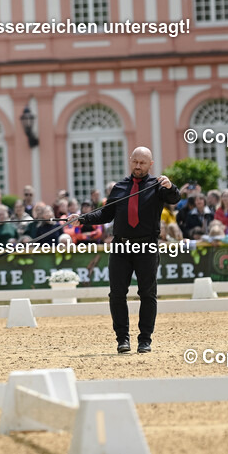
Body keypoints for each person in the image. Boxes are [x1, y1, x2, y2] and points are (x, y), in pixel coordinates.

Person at [68, 146, 179, 354]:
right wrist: (81, 219)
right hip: (121, 245)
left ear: (150, 164)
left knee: (147, 293)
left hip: (146, 246)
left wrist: (170, 186)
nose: (138, 166)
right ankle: (122, 339)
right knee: (117, 294)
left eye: (142, 163)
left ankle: (145, 339)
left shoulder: (157, 186)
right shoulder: (119, 187)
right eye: (135, 161)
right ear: (130, 160)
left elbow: (175, 198)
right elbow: (105, 214)